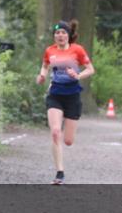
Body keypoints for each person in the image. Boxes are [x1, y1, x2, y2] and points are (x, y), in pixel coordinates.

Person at [36, 20, 94, 185]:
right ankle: (59, 172)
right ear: (54, 36)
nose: (60, 35)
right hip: (55, 94)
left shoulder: (78, 50)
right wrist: (41, 76)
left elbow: (90, 69)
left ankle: (65, 149)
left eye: (63, 33)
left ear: (68, 35)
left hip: (72, 96)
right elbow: (45, 66)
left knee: (68, 140)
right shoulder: (50, 51)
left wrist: (78, 76)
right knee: (55, 132)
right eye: (57, 33)